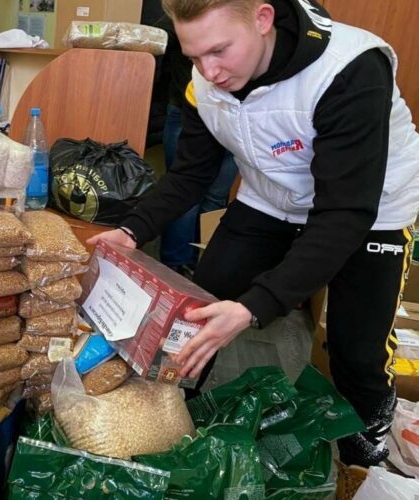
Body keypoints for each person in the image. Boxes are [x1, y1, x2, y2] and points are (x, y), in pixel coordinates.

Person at [87, 0, 419, 496]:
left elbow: (343, 214)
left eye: (220, 51)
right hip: (271, 199)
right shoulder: (204, 77)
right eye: (195, 56)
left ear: (263, 19)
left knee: (357, 352)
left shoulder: (351, 69)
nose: (209, 72)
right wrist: (132, 230)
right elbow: (191, 174)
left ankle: (363, 463)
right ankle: (170, 428)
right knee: (194, 315)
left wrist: (253, 307)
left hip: (370, 209)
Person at [155, 13, 239, 275]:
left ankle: (195, 262)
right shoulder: (183, 17)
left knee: (212, 194)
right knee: (187, 191)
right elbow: (156, 45)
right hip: (189, 109)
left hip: (233, 114)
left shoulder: (238, 18)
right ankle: (179, 265)